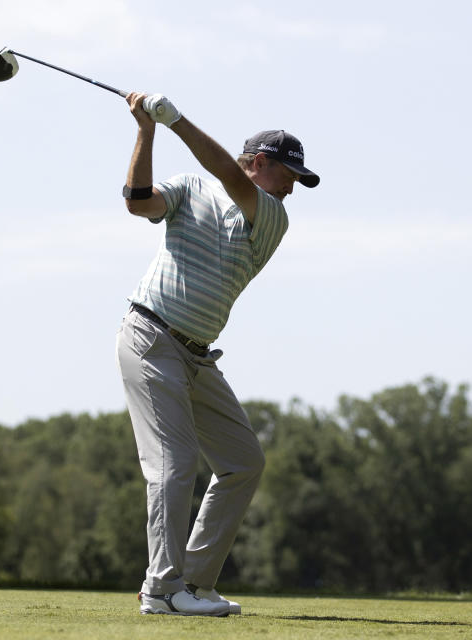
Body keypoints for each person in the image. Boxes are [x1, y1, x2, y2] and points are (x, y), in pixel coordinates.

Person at [116, 93, 319, 616]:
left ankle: (197, 584)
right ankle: (162, 591)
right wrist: (148, 131)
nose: (293, 186)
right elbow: (139, 202)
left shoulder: (271, 216)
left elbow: (229, 176)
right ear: (260, 162)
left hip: (198, 356)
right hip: (151, 337)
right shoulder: (192, 187)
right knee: (174, 462)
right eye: (289, 174)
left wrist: (176, 118)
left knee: (243, 462)